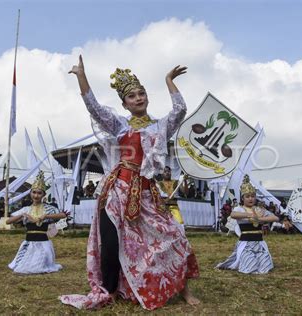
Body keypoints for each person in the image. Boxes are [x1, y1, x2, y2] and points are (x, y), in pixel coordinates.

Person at [60, 56, 199, 310]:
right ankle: (111, 290)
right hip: (118, 189)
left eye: (141, 93)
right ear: (124, 104)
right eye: (132, 96)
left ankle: (183, 289)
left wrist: (169, 80)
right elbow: (94, 107)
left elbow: (180, 110)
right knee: (111, 243)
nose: (138, 98)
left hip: (146, 191)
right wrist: (82, 76)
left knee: (174, 237)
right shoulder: (120, 126)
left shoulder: (161, 127)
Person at [7, 171, 68, 274]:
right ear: (30, 193)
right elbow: (8, 221)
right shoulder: (26, 209)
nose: (36, 195)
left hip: (43, 244)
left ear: (43, 195)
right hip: (28, 244)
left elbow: (63, 215)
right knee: (22, 268)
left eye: (39, 193)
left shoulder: (48, 209)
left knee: (37, 267)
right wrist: (22, 215)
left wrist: (46, 216)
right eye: (34, 192)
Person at [216, 175, 279, 274]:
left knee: (265, 268)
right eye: (247, 196)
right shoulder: (239, 209)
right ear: (243, 198)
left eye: (253, 196)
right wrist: (250, 215)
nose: (251, 199)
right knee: (250, 268)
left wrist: (260, 218)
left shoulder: (259, 209)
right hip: (246, 244)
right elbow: (233, 214)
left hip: (259, 244)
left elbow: (275, 218)